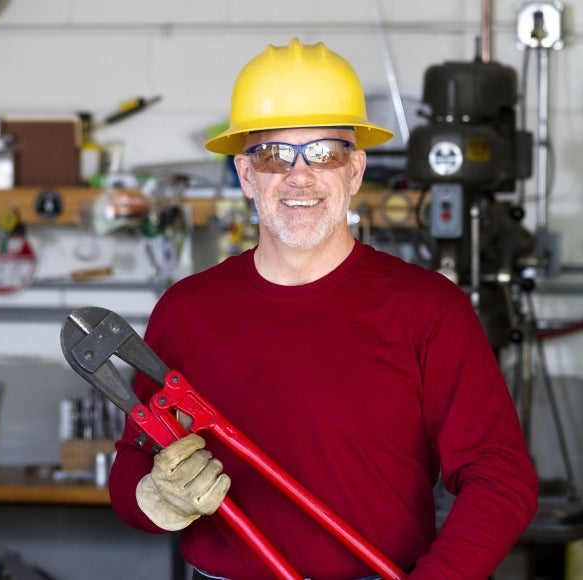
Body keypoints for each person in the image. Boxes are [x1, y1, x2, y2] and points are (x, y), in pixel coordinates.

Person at [108, 38, 538, 580]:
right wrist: (156, 497)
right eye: (273, 155)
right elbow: (131, 463)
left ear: (355, 171)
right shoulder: (187, 311)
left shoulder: (429, 310)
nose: (299, 176)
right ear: (245, 174)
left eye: (324, 153)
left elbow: (501, 477)